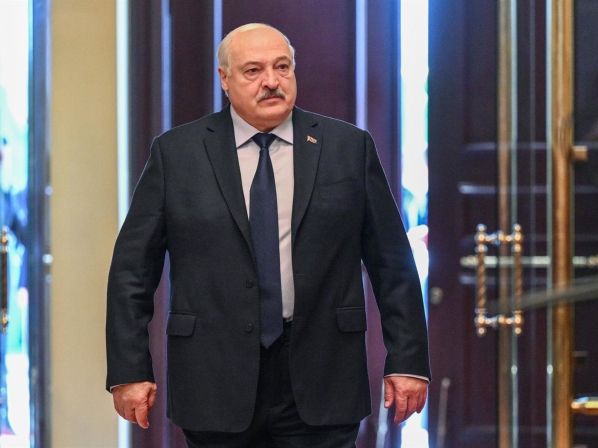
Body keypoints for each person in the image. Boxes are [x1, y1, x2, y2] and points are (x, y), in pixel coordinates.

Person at [106, 23, 430, 448]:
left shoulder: (348, 147)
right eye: (253, 71)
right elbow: (132, 271)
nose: (272, 81)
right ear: (225, 79)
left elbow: (393, 263)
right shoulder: (177, 154)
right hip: (214, 375)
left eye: (282, 67)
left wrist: (408, 360)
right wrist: (130, 370)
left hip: (323, 373)